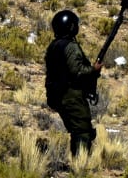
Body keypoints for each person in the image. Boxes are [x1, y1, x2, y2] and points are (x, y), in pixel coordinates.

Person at [44, 10, 103, 156]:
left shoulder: (54, 45)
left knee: (77, 129)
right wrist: (93, 70)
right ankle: (80, 163)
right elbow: (77, 72)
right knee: (82, 130)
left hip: (56, 94)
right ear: (70, 27)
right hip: (70, 95)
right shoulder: (70, 46)